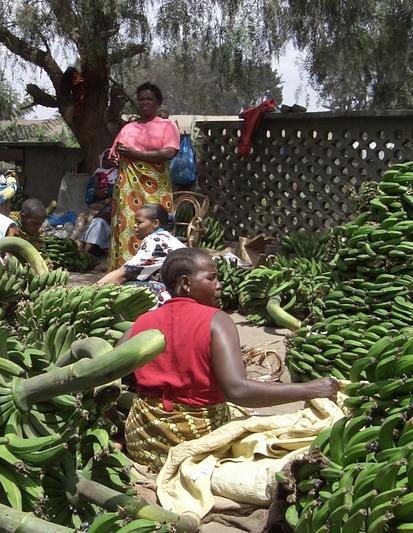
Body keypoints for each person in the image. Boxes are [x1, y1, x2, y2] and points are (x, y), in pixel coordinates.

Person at [122, 248, 340, 471]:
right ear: (186, 283)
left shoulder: (141, 322)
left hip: (144, 441)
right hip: (193, 442)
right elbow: (237, 390)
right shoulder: (216, 321)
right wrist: (310, 389)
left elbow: (117, 370)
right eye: (211, 277)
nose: (219, 284)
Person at [109, 82, 180, 270]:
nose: (145, 103)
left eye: (149, 99)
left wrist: (135, 154)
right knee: (129, 227)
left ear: (157, 102)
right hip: (129, 190)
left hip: (156, 189)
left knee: (156, 226)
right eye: (141, 99)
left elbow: (169, 153)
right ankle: (125, 271)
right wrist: (122, 154)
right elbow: (115, 157)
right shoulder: (128, 128)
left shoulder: (167, 126)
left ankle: (159, 271)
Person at [97, 204, 184, 305]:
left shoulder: (156, 241)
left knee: (127, 290)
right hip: (182, 289)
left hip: (179, 296)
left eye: (139, 222)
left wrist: (92, 292)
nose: (134, 226)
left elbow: (125, 273)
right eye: (135, 222)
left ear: (155, 223)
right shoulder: (166, 238)